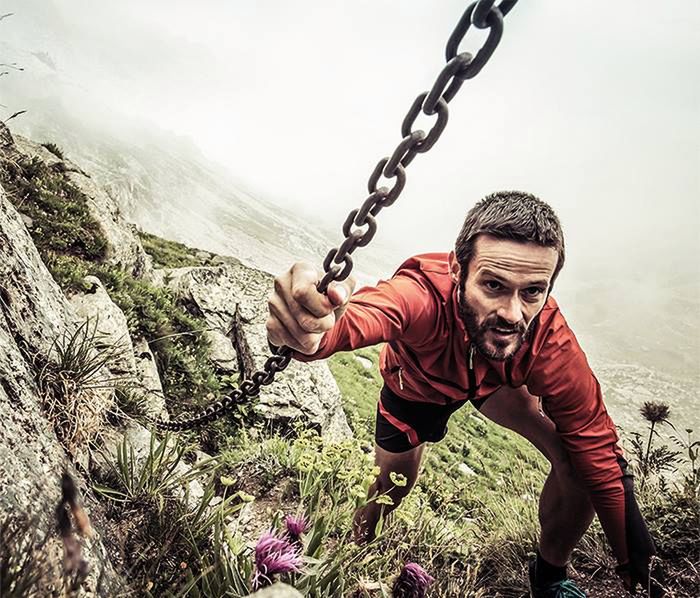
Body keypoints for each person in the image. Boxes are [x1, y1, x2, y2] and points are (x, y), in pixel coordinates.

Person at [266, 191, 661, 597]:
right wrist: (310, 325)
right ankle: (353, 551)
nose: (512, 313)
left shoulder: (548, 337)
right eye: (493, 285)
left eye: (532, 292)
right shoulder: (421, 296)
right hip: (415, 391)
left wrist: (633, 561)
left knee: (575, 459)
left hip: (495, 383)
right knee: (393, 486)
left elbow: (596, 447)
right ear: (458, 269)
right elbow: (359, 318)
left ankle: (549, 577)